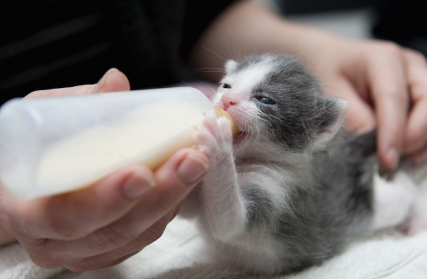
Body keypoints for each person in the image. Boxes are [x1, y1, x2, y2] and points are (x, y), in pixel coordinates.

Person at [1, 0, 427, 272]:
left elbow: (229, 226)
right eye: (227, 86)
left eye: (265, 101)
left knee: (379, 206)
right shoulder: (226, 145)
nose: (226, 102)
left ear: (315, 131)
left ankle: (408, 198)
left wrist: (325, 50)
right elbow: (190, 211)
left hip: (321, 228)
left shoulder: (276, 179)